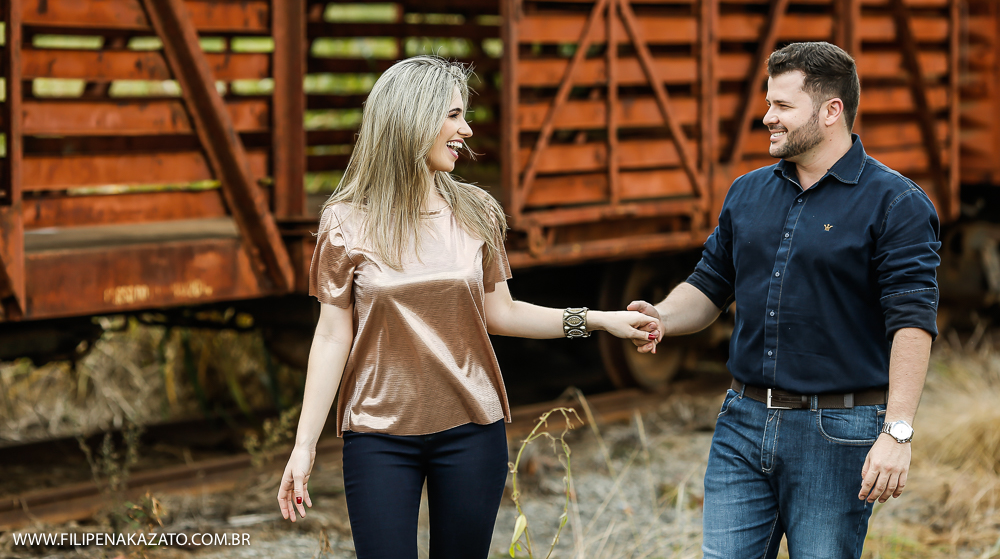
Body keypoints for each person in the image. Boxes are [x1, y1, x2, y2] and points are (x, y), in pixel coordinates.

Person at [275, 55, 658, 559]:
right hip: (377, 434)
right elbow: (331, 335)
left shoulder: (476, 212)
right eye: (454, 115)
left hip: (472, 430)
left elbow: (503, 313)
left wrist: (601, 320)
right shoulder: (345, 222)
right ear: (413, 119)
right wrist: (303, 445)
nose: (467, 129)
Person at [629, 42, 940, 558]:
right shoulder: (746, 192)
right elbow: (709, 285)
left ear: (831, 111)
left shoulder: (897, 203)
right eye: (768, 103)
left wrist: (898, 433)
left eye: (782, 105)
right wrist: (660, 315)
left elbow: (912, 321)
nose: (767, 117)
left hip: (836, 432)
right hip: (742, 421)